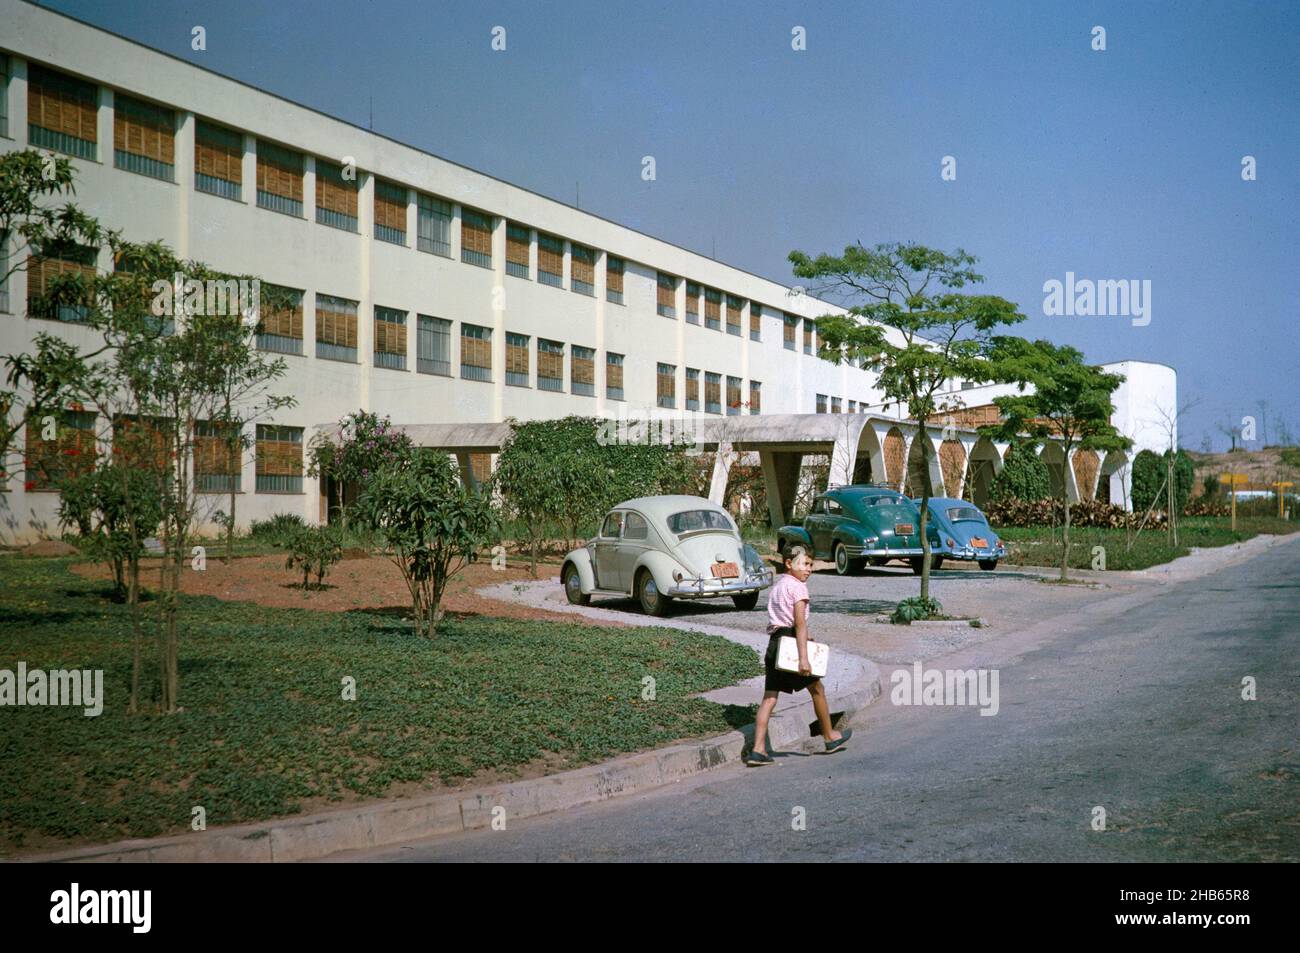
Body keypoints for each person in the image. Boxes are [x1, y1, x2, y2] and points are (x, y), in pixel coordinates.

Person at [746, 544, 850, 766]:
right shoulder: (799, 588)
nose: (809, 569)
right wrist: (803, 657)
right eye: (804, 564)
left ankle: (758, 749)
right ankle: (830, 737)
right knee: (817, 689)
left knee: (770, 697)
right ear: (788, 563)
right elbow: (799, 625)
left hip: (775, 644)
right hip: (791, 646)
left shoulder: (779, 585)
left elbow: (784, 621)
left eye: (811, 564)